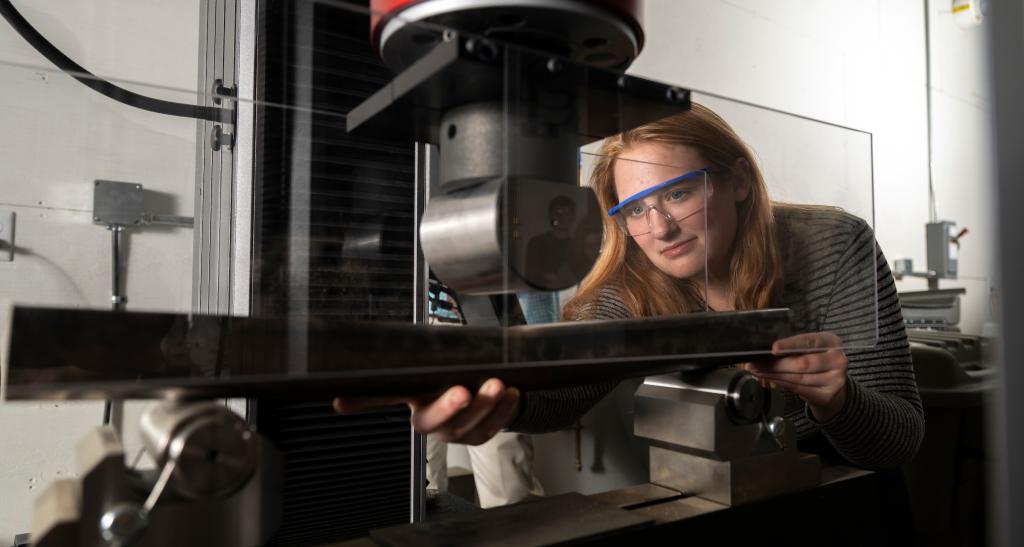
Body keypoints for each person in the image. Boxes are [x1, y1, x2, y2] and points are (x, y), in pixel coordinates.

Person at [334, 103, 924, 474]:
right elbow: (564, 388)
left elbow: (899, 443)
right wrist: (491, 392)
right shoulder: (633, 285)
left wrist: (838, 401)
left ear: (739, 181)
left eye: (677, 194)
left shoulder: (832, 244)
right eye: (635, 209)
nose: (658, 229)